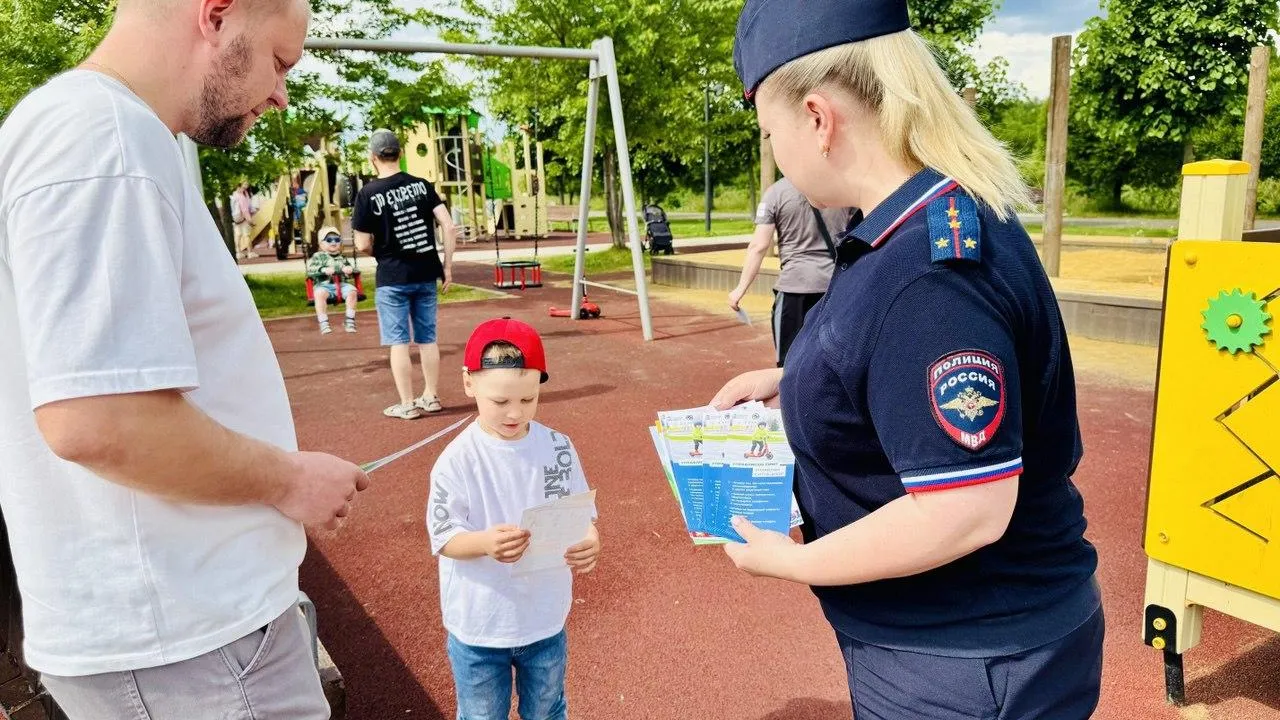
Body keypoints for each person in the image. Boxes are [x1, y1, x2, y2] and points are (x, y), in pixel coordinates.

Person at [711, 1, 1104, 718]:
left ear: (818, 118)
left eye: (772, 134)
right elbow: (885, 359)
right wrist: (792, 379)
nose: (779, 156)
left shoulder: (926, 272)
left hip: (965, 656)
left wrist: (791, 562)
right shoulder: (918, 218)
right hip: (968, 645)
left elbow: (964, 511)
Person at [0, 0, 370, 717]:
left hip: (176, 635)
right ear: (217, 14)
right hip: (188, 643)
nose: (280, 93)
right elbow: (101, 421)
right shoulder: (104, 139)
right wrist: (291, 480)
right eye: (279, 61)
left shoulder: (79, 129)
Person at [427, 317, 601, 720]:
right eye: (500, 402)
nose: (515, 413)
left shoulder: (558, 446)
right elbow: (443, 536)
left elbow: (579, 513)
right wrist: (484, 543)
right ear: (469, 383)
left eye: (527, 400)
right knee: (482, 714)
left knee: (547, 708)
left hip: (544, 618)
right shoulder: (458, 458)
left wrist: (591, 540)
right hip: (480, 625)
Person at [353, 128, 457, 420]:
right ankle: (431, 396)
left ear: (373, 158)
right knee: (427, 338)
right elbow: (448, 227)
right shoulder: (423, 186)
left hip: (392, 277)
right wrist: (447, 266)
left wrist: (379, 252)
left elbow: (362, 243)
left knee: (398, 341)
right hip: (426, 273)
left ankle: (408, 403)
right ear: (399, 153)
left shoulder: (368, 194)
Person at [729, 176, 854, 366]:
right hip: (834, 288)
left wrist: (740, 288)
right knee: (833, 362)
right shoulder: (839, 186)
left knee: (787, 365)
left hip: (793, 289)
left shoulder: (776, 192)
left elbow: (759, 246)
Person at [307, 225, 359, 334]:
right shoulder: (318, 256)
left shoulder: (342, 257)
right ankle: (323, 322)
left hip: (341, 285)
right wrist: (323, 269)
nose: (333, 242)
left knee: (353, 292)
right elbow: (310, 270)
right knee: (319, 294)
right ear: (321, 244)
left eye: (337, 239)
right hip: (324, 286)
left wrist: (349, 269)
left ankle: (349, 320)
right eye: (329, 240)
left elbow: (350, 270)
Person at [231, 179, 257, 259]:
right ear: (240, 185)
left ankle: (238, 252)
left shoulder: (234, 195)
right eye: (245, 184)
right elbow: (245, 210)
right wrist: (250, 220)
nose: (247, 185)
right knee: (247, 235)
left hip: (236, 219)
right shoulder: (241, 196)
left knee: (238, 235)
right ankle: (250, 252)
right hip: (244, 218)